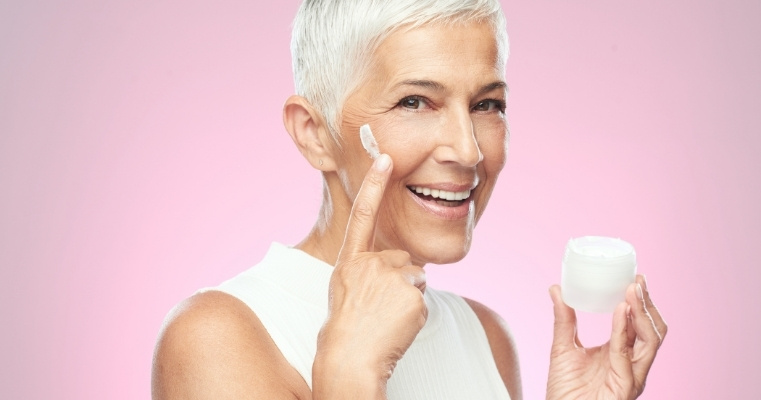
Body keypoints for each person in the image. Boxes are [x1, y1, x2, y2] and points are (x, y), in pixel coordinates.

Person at [152, 0, 668, 398]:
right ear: (314, 133)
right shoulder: (219, 337)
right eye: (415, 102)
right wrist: (349, 376)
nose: (468, 150)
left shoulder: (486, 337)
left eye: (487, 104)